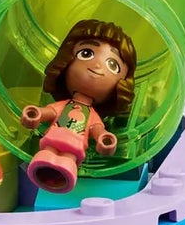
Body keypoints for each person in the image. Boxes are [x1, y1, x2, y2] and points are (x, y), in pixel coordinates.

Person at [20, 19, 136, 193]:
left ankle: (64, 173)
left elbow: (97, 129)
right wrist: (36, 114)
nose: (97, 65)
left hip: (75, 147)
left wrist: (103, 138)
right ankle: (43, 167)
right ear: (66, 59)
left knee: (68, 162)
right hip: (53, 139)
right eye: (86, 53)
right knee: (46, 155)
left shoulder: (92, 114)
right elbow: (50, 112)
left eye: (113, 65)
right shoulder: (63, 105)